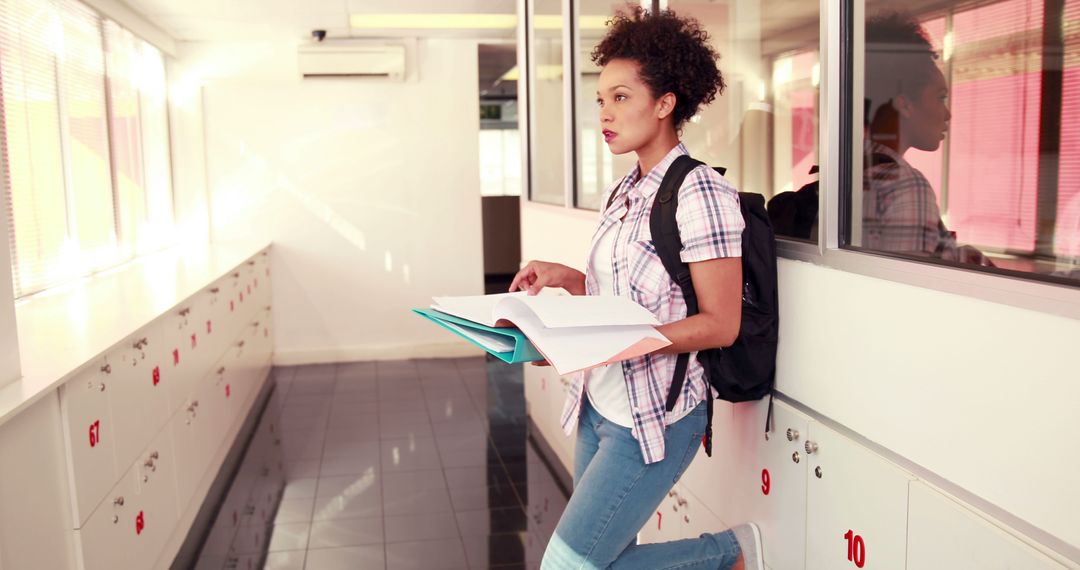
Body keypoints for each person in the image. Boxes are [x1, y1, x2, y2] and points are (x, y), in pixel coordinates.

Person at [509, 7, 764, 570]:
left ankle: (729, 555)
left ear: (666, 103)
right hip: (601, 403)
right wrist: (568, 279)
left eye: (621, 97)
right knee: (604, 557)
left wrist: (617, 343)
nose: (605, 112)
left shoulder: (700, 193)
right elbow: (626, 295)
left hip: (658, 414)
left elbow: (720, 323)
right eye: (601, 99)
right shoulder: (625, 189)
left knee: (569, 566)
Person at [863, 12, 992, 266]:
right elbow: (906, 288)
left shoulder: (849, 172)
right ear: (905, 104)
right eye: (940, 98)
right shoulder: (905, 185)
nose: (948, 114)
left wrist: (952, 254)